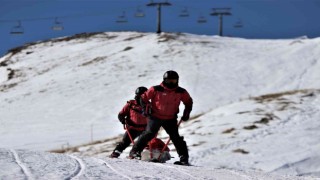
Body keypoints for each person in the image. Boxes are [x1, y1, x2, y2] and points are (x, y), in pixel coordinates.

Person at [129, 70, 193, 165]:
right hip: (155, 116)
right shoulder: (156, 89)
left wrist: (186, 113)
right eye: (169, 81)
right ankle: (135, 152)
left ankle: (184, 159)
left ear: (177, 80)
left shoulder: (181, 92)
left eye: (174, 81)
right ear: (164, 80)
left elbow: (188, 102)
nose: (171, 83)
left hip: (170, 118)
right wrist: (146, 108)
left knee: (176, 137)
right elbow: (143, 98)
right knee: (149, 133)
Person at [109, 86, 148, 158]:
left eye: (144, 95)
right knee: (125, 142)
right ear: (137, 95)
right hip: (132, 128)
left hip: (144, 129)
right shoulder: (130, 104)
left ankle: (136, 153)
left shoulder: (149, 106)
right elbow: (121, 114)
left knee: (144, 143)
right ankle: (116, 152)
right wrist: (123, 120)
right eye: (140, 95)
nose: (142, 97)